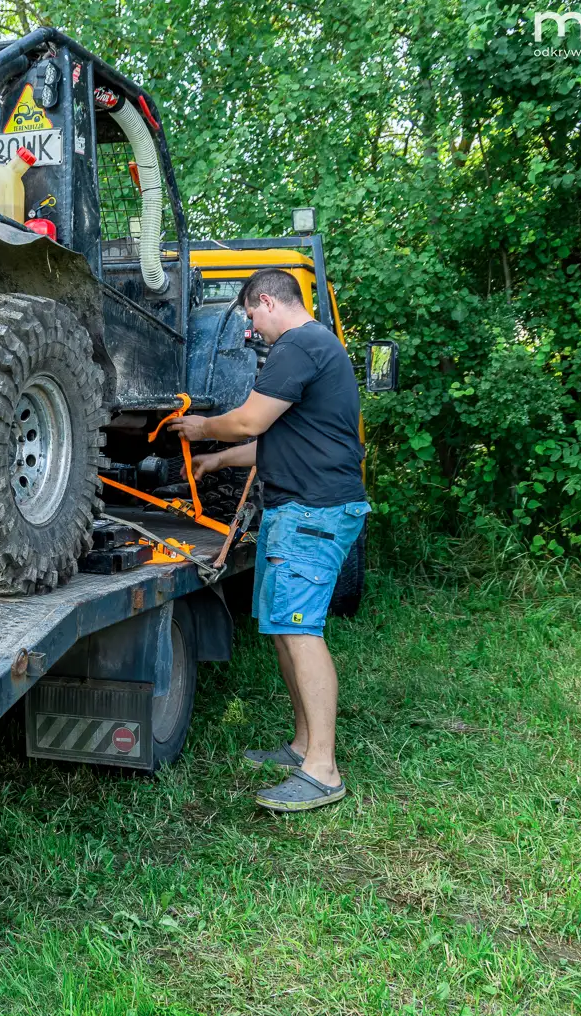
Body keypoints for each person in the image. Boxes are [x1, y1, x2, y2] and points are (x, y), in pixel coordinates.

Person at [173, 268, 370, 812]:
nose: (251, 329)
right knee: (285, 629)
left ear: (267, 301)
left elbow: (249, 422)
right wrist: (218, 461)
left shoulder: (298, 345)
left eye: (251, 317)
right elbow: (277, 441)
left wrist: (202, 429)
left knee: (301, 632)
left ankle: (323, 770)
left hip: (312, 511)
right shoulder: (315, 347)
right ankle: (303, 746)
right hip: (301, 509)